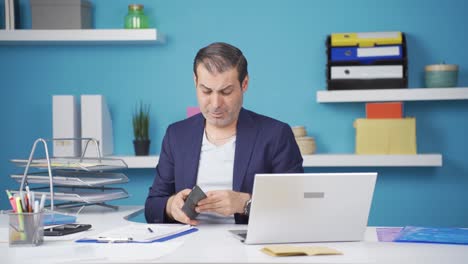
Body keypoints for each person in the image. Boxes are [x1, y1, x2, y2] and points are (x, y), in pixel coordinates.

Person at [145, 42, 303, 225]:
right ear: (195, 82)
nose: (215, 104)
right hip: (188, 245)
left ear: (244, 84)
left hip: (248, 248)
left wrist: (246, 203)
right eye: (206, 91)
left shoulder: (276, 135)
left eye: (226, 92)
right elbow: (152, 205)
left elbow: (296, 206)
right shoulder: (177, 135)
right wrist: (171, 206)